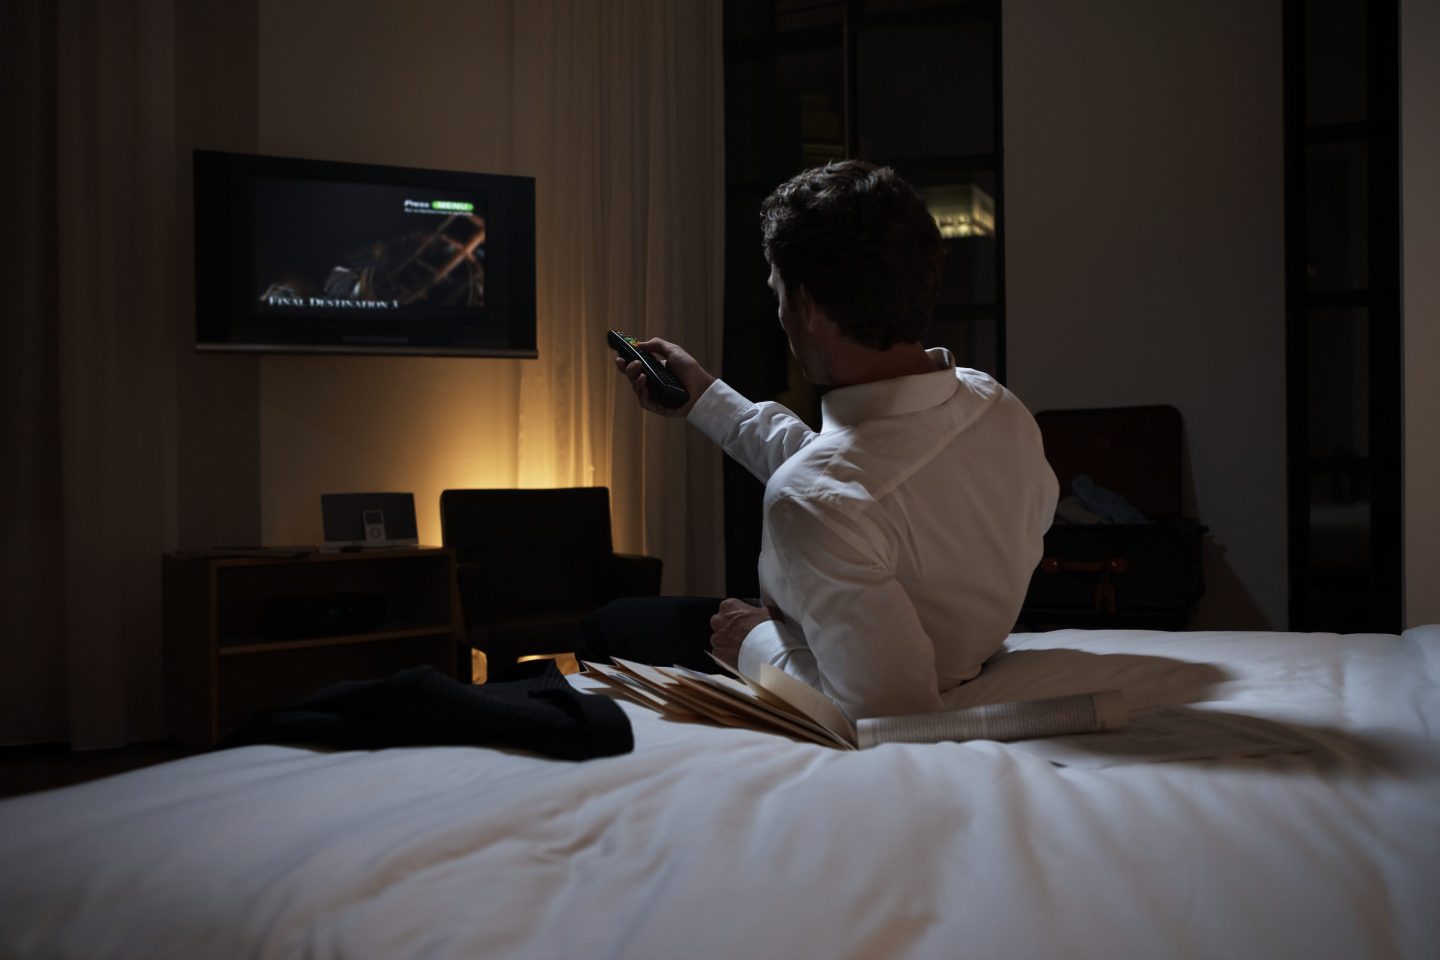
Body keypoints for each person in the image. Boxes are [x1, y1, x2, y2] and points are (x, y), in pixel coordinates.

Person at [582, 159, 1058, 720]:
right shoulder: (995, 406)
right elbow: (857, 478)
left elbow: (891, 708)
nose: (779, 311)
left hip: (834, 660)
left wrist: (755, 643)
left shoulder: (812, 500)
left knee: (604, 628)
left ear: (807, 307)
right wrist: (706, 398)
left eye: (779, 292)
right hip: (958, 645)